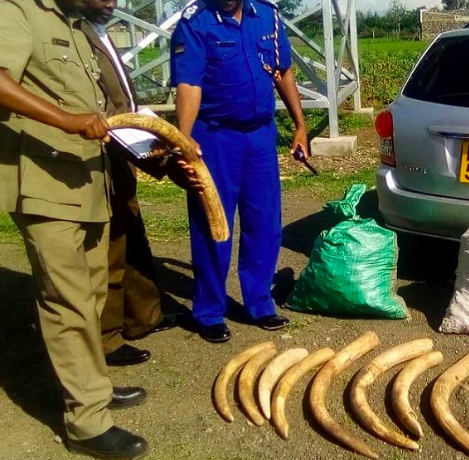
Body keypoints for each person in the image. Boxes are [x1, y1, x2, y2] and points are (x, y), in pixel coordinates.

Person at [0, 0, 148, 458]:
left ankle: (93, 389)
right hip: (43, 185)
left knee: (93, 295)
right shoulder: (17, 11)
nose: (111, 3)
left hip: (87, 182)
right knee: (66, 302)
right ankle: (86, 422)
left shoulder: (76, 24)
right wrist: (67, 121)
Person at [169, 0, 309, 343]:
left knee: (264, 221)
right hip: (216, 136)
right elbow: (188, 85)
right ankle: (209, 311)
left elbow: (283, 71)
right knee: (213, 224)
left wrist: (300, 125)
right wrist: (184, 142)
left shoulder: (268, 16)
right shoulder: (196, 22)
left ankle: (259, 303)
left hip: (261, 135)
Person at [79, 0, 198, 367]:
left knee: (132, 235)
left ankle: (145, 318)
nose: (110, 4)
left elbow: (122, 99)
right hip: (98, 154)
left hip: (124, 149)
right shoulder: (74, 33)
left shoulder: (98, 32)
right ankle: (109, 338)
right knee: (110, 247)